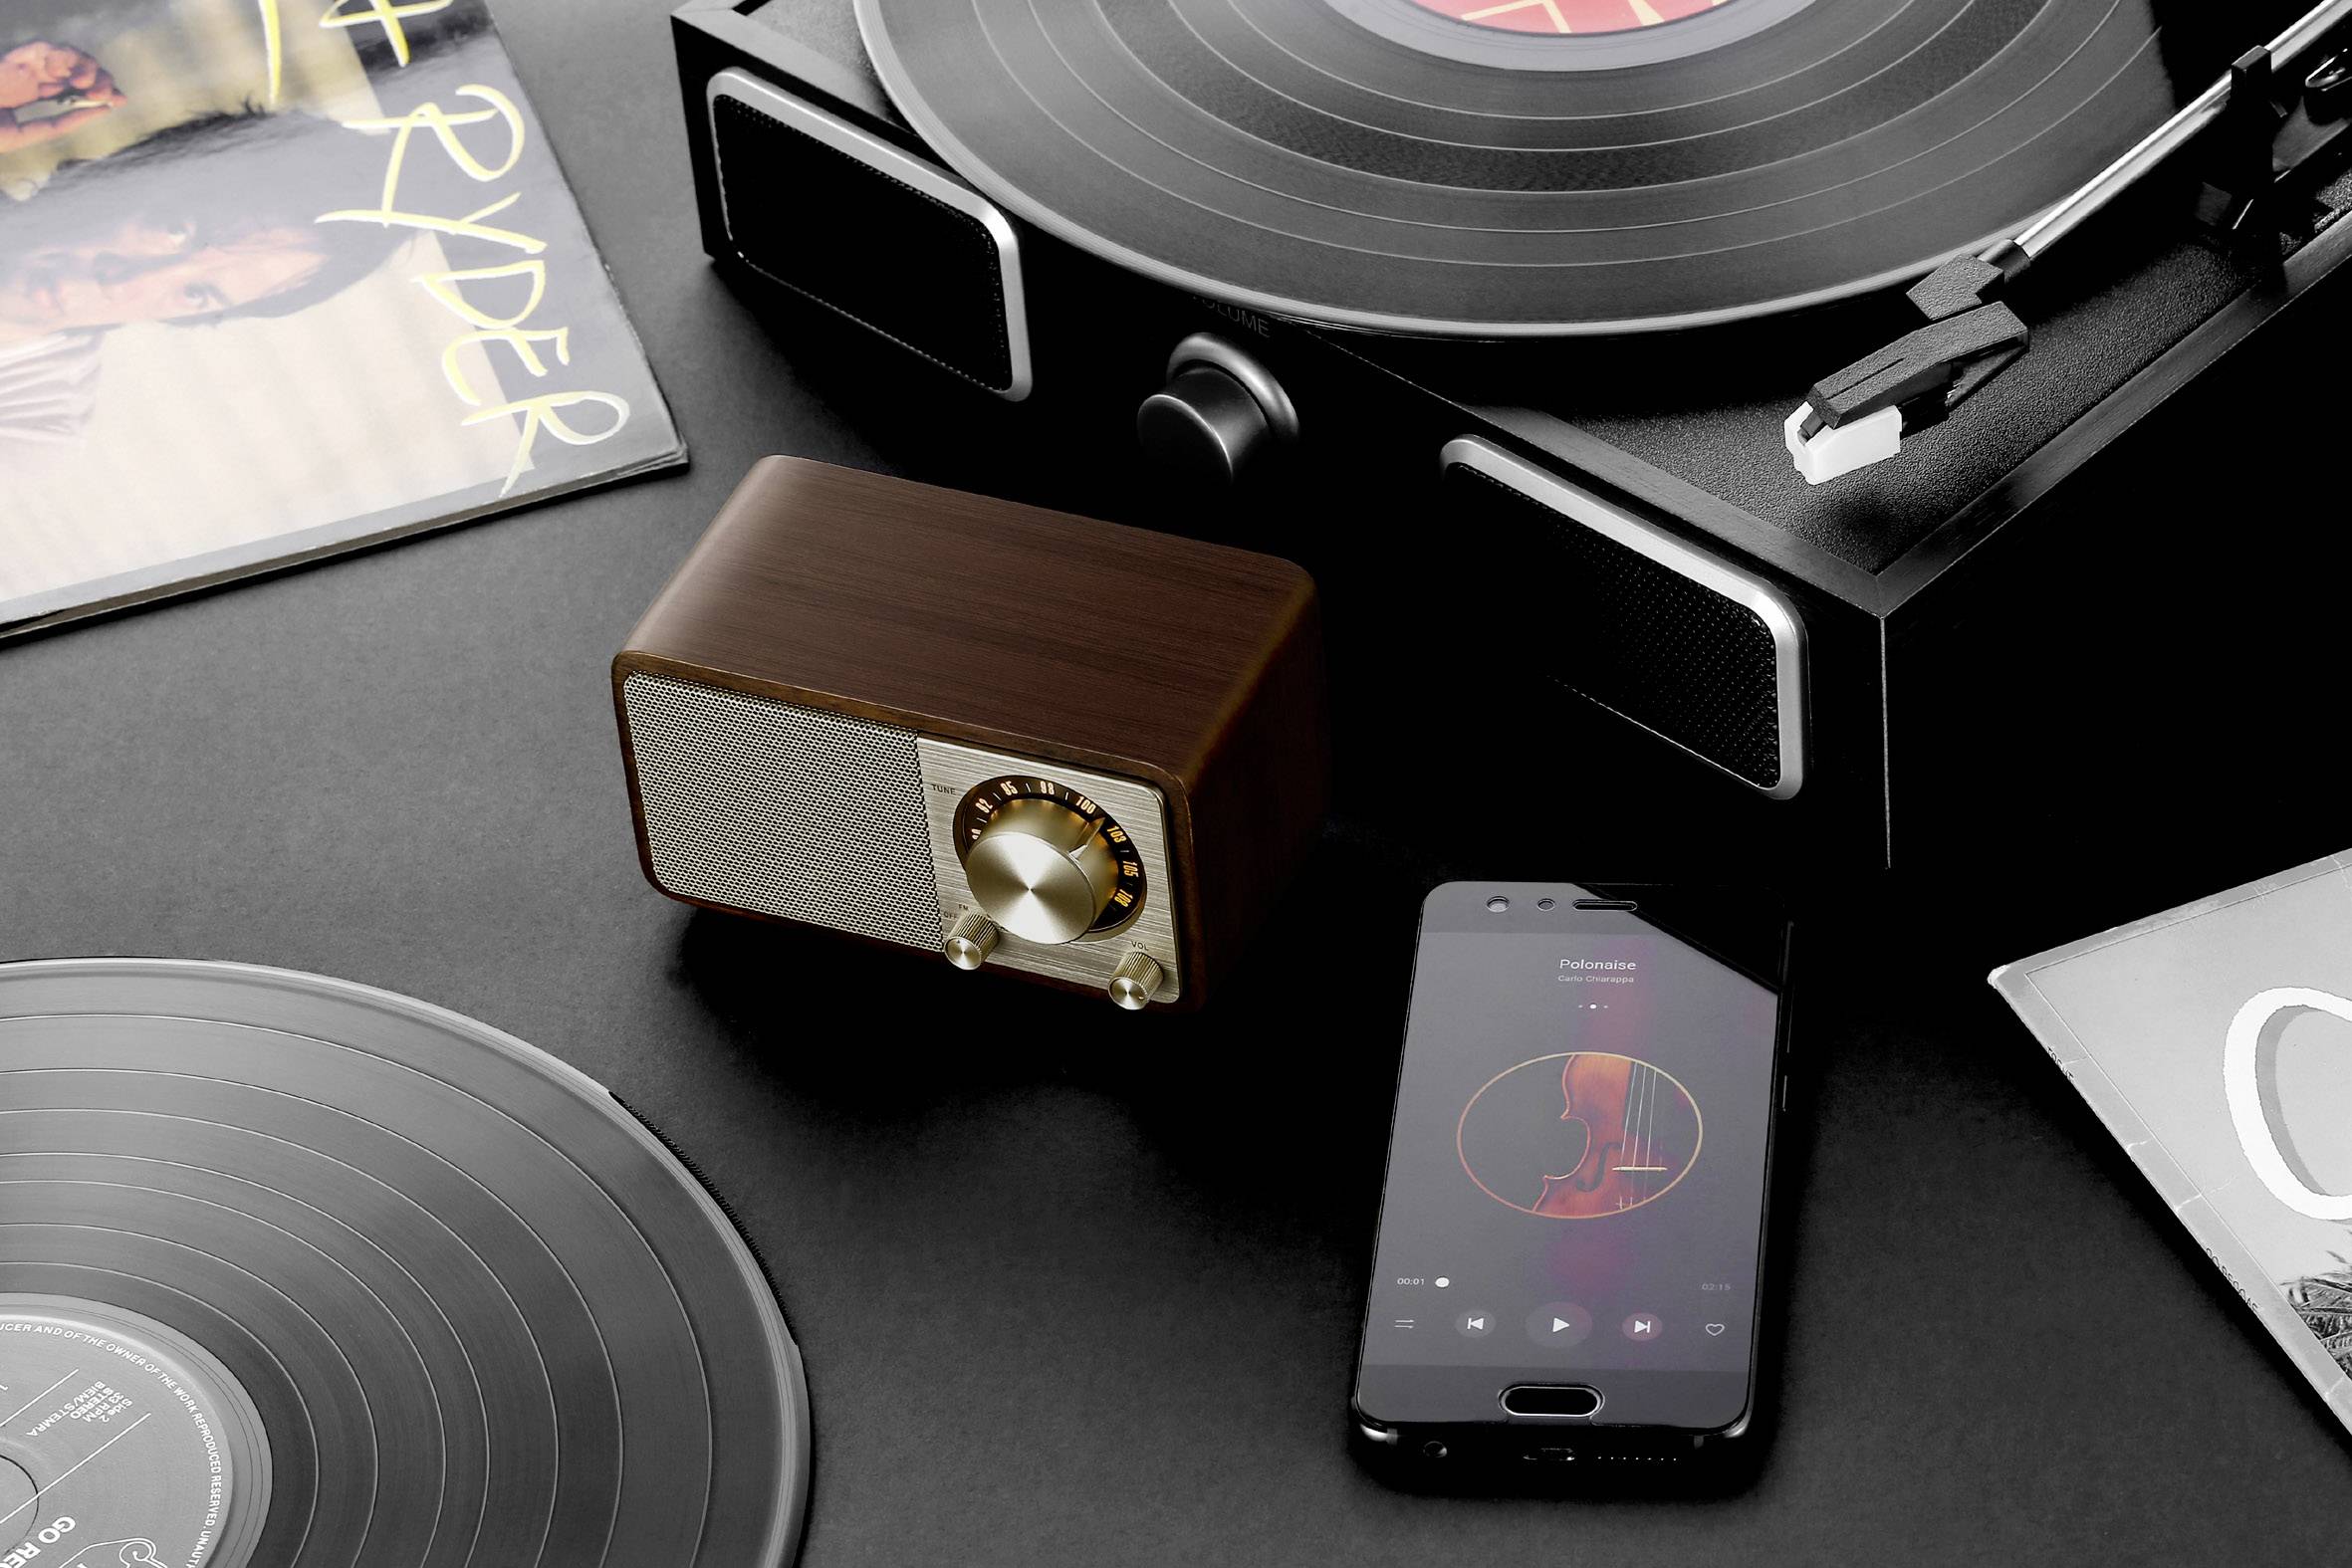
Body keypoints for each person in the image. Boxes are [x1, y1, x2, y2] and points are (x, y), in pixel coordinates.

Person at [1, 39, 410, 447]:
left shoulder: (35, 425)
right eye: (175, 230)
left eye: (196, 295)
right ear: (123, 173)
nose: (128, 284)